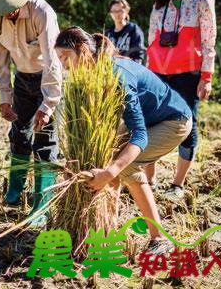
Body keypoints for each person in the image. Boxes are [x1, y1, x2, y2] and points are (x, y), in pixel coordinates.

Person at [54, 27, 192, 255]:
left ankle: (160, 238)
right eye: (59, 59)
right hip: (150, 118)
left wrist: (110, 172)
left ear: (84, 50)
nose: (63, 64)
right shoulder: (93, 72)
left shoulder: (117, 74)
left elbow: (140, 135)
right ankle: (107, 227)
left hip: (174, 120)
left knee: (128, 167)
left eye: (65, 57)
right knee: (112, 156)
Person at [0, 0, 63, 227]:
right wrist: (4, 97)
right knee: (19, 135)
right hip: (22, 80)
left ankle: (42, 204)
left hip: (48, 80)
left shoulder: (41, 12)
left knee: (45, 142)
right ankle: (15, 191)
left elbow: (53, 61)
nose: (4, 11)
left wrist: (48, 104)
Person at [146, 0, 217, 200]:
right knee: (150, 122)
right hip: (158, 73)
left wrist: (206, 76)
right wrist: (147, 74)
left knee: (187, 124)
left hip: (188, 74)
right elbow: (151, 42)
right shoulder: (158, 5)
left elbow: (209, 40)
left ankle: (177, 184)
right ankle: (149, 179)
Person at [105, 0, 146, 64]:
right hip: (111, 70)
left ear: (126, 11)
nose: (117, 14)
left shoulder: (134, 30)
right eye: (114, 11)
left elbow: (138, 55)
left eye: (120, 11)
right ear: (110, 13)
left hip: (129, 69)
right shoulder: (108, 34)